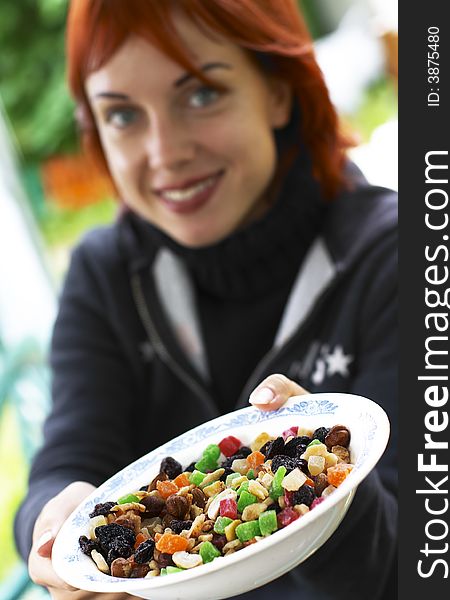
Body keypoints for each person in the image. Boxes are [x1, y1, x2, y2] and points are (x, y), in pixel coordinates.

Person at [14, 1, 397, 598]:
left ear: (278, 90)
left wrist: (318, 491)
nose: (165, 152)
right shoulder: (106, 274)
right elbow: (69, 457)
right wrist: (55, 522)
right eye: (122, 115)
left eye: (200, 96)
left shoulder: (400, 256)